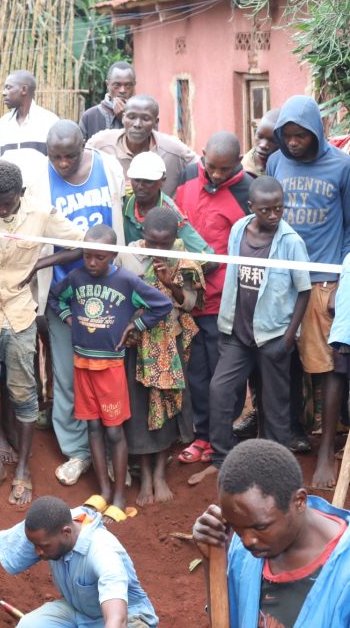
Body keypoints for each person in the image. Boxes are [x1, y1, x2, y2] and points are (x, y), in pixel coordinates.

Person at [0, 161, 85, 503]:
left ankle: (24, 470)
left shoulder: (41, 213)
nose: (0, 208)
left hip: (19, 318)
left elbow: (84, 244)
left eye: (7, 203)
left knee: (23, 395)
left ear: (21, 194)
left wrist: (42, 262)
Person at [188, 177, 311, 486]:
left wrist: (288, 338)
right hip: (237, 334)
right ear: (251, 207)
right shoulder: (239, 230)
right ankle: (222, 459)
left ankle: (276, 466)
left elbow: (303, 291)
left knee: (274, 403)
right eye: (266, 210)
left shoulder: (291, 242)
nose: (273, 215)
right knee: (220, 390)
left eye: (279, 208)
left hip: (272, 336)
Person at [50, 226, 172, 522]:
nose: (91, 263)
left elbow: (162, 304)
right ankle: (103, 491)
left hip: (111, 367)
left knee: (114, 432)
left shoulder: (126, 280)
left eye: (99, 258)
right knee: (92, 428)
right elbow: (56, 299)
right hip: (82, 364)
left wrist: (135, 326)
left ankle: (119, 495)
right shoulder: (76, 278)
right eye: (88, 256)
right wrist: (71, 320)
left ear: (112, 256)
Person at [28, 120, 126, 487]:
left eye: (70, 155)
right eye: (56, 156)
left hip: (108, 292)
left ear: (84, 145)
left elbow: (119, 222)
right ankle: (78, 451)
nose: (63, 163)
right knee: (68, 376)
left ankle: (117, 450)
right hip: (63, 292)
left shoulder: (108, 167)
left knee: (110, 374)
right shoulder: (40, 178)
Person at [0, 495, 159, 627]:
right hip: (80, 613)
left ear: (66, 533)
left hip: (129, 619)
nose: (36, 553)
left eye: (42, 547)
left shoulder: (102, 551)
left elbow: (116, 617)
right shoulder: (50, 526)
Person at [266, 94, 350, 489]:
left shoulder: (341, 166)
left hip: (322, 279)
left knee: (328, 364)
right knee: (283, 359)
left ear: (317, 132)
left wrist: (341, 284)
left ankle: (325, 449)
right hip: (281, 277)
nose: (294, 142)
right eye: (288, 135)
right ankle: (290, 437)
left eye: (301, 135)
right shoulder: (275, 161)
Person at [192, 439, 350, 628]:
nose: (247, 541)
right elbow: (229, 620)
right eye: (237, 528)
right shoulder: (244, 551)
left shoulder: (343, 574)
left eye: (260, 527)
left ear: (299, 501)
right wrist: (213, 560)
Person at [172, 131, 253, 468]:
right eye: (212, 167)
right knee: (197, 371)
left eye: (226, 169)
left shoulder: (246, 191)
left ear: (238, 161)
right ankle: (203, 434)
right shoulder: (188, 178)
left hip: (225, 301)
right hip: (189, 299)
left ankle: (224, 436)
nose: (217, 175)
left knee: (225, 375)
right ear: (202, 156)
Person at [117, 207, 204, 507]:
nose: (157, 248)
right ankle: (144, 472)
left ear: (175, 238)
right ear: (143, 233)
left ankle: (160, 474)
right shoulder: (126, 256)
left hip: (169, 343)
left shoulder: (183, 261)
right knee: (139, 407)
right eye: (152, 242)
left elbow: (189, 304)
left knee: (167, 405)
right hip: (137, 341)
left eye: (164, 243)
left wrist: (169, 283)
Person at [87, 94, 197, 195]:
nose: (137, 124)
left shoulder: (173, 150)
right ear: (123, 117)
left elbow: (202, 168)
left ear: (156, 122)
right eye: (131, 117)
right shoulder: (101, 144)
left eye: (146, 119)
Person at [121, 152, 210, 253]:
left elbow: (208, 259)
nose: (140, 186)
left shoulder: (172, 214)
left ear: (163, 180)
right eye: (136, 180)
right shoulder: (121, 196)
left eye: (148, 181)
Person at [0, 69, 58, 157]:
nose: (3, 93)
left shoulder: (49, 121)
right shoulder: (3, 123)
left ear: (24, 89)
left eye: (8, 88)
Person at [78, 62, 136, 141]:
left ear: (134, 85)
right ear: (107, 84)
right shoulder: (90, 116)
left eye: (128, 86)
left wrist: (125, 119)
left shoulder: (144, 116)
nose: (122, 90)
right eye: (117, 85)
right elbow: (80, 150)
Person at [240, 109, 279, 176]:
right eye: (260, 137)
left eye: (272, 141)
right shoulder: (242, 168)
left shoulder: (285, 168)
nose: (263, 145)